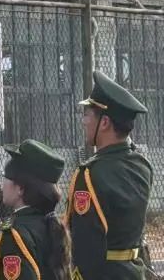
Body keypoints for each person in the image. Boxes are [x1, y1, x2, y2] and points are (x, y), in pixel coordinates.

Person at [66, 71, 153, 280]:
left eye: (88, 115)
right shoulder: (143, 166)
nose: (84, 121)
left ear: (104, 123)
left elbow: (86, 248)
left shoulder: (89, 175)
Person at [0, 140, 72, 280]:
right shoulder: (49, 224)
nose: (2, 185)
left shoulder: (14, 236)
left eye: (5, 177)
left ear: (20, 188)